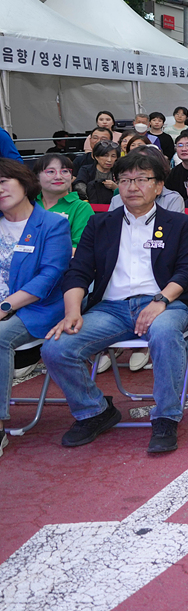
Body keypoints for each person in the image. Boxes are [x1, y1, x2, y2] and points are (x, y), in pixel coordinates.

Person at [42, 152, 188, 454]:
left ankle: (166, 416)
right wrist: (72, 311)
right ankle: (95, 411)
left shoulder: (178, 223)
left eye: (142, 179)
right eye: (126, 180)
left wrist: (160, 300)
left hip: (166, 303)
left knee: (165, 332)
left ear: (158, 186)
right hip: (111, 307)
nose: (133, 186)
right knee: (55, 347)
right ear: (117, 184)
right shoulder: (100, 223)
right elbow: (78, 271)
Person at [0, 160, 72, 458]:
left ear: (23, 182)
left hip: (38, 307)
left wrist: (4, 307)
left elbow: (49, 277)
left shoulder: (53, 223)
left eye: (4, 181)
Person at [34, 153, 92, 249]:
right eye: (51, 171)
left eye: (65, 171)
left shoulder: (80, 207)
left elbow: (81, 248)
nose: (58, 177)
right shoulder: (28, 203)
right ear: (37, 177)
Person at [76, 140, 119, 205]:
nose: (109, 160)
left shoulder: (119, 171)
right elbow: (79, 185)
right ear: (96, 157)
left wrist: (116, 188)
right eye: (105, 156)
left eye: (113, 156)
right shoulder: (86, 170)